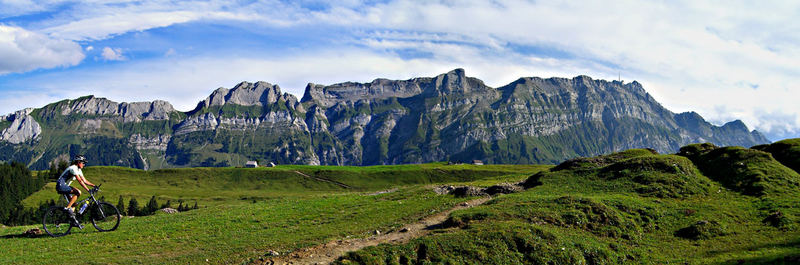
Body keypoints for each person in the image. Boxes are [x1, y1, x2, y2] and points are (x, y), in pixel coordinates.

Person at [55, 155, 97, 228]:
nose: (84, 164)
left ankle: (72, 221)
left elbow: (84, 180)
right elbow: (80, 181)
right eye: (83, 163)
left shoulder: (78, 170)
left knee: (73, 204)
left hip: (65, 187)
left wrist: (94, 185)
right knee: (78, 192)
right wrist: (88, 190)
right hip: (61, 186)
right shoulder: (73, 168)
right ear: (78, 162)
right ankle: (67, 208)